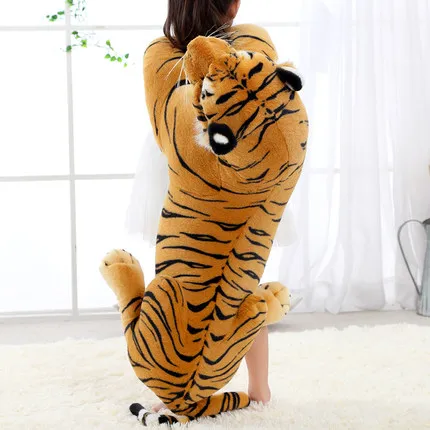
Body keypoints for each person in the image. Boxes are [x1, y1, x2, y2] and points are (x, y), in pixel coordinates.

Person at [126, 0, 302, 413]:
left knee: (177, 273)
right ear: (233, 6)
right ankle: (259, 386)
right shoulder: (246, 46)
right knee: (244, 279)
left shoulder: (164, 55)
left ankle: (171, 382)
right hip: (230, 167)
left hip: (179, 162)